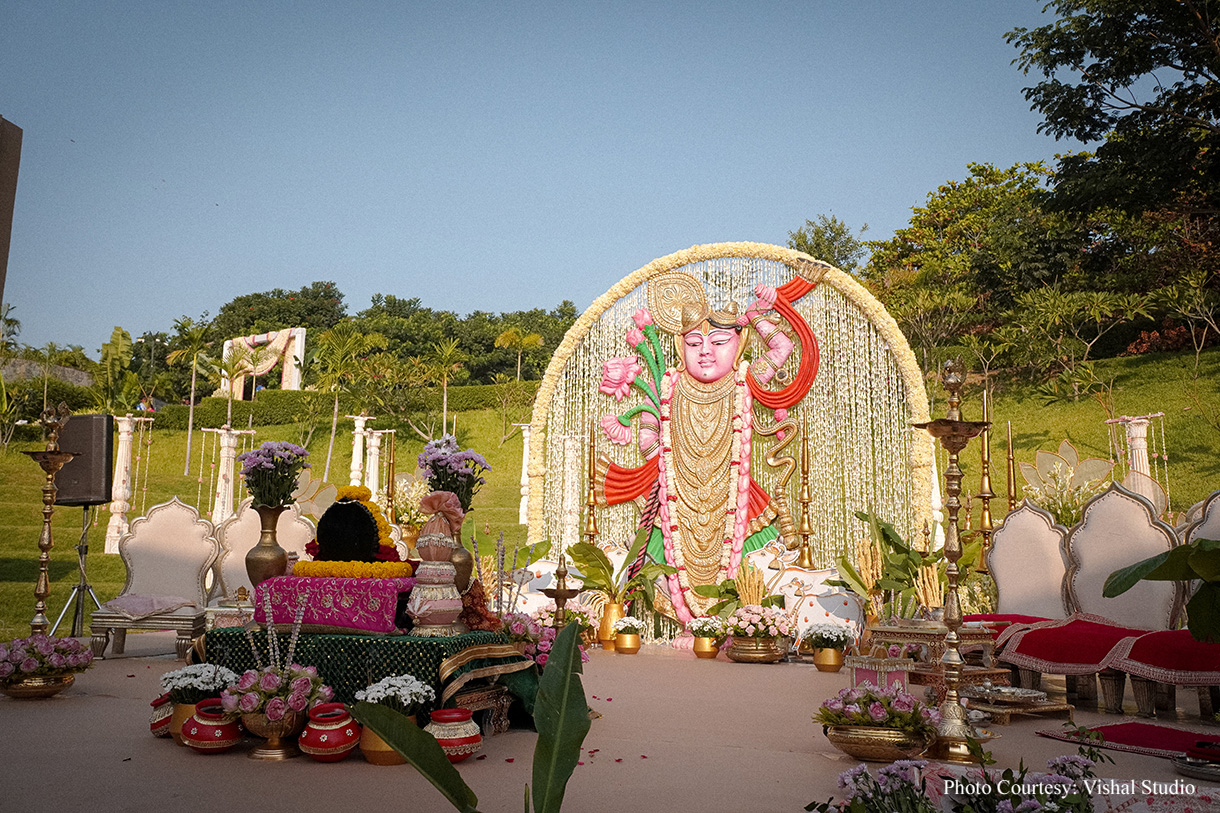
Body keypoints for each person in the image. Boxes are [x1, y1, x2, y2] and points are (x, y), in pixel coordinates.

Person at [596, 269, 823, 622]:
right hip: (677, 507)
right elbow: (648, 437)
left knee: (753, 572)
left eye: (718, 343)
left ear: (739, 345)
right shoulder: (667, 386)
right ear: (678, 346)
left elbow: (784, 347)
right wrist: (669, 469)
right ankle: (690, 621)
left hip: (737, 502)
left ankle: (743, 623)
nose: (705, 352)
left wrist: (758, 317)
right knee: (661, 566)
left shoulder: (744, 379)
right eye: (693, 343)